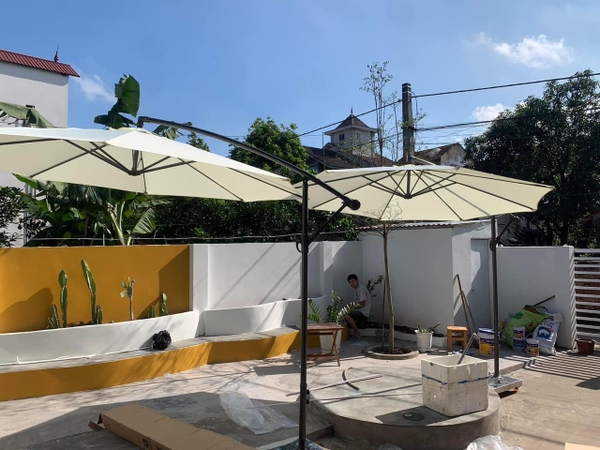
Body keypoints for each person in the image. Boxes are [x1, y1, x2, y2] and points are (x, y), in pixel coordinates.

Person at [345, 274, 370, 339]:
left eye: (353, 281)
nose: (352, 283)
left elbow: (362, 304)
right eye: (350, 282)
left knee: (345, 315)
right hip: (359, 311)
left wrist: (350, 308)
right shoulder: (356, 290)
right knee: (344, 312)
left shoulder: (361, 289)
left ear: (357, 281)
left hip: (363, 313)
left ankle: (357, 333)